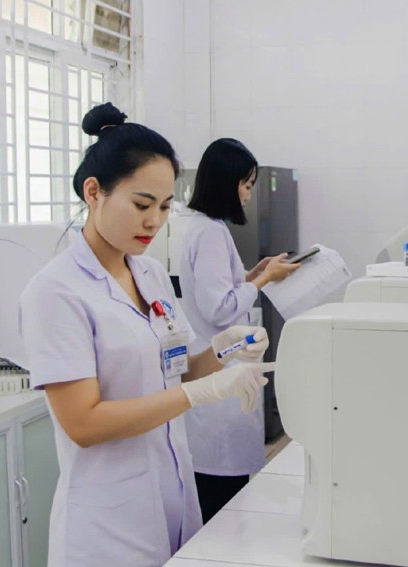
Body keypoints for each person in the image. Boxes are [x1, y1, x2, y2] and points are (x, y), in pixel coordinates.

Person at [19, 104, 273, 567]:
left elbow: (177, 370)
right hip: (108, 528)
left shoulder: (151, 274)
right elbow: (84, 423)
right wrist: (198, 394)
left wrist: (226, 349)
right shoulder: (56, 292)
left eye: (164, 206)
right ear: (93, 192)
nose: (154, 221)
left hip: (172, 498)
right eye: (141, 205)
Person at [179, 138, 299, 522]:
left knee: (224, 491)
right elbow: (219, 308)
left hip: (220, 366)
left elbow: (218, 290)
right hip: (218, 371)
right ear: (226, 183)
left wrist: (252, 274)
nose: (248, 194)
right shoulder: (210, 233)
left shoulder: (207, 228)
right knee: (220, 500)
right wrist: (263, 281)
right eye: (246, 185)